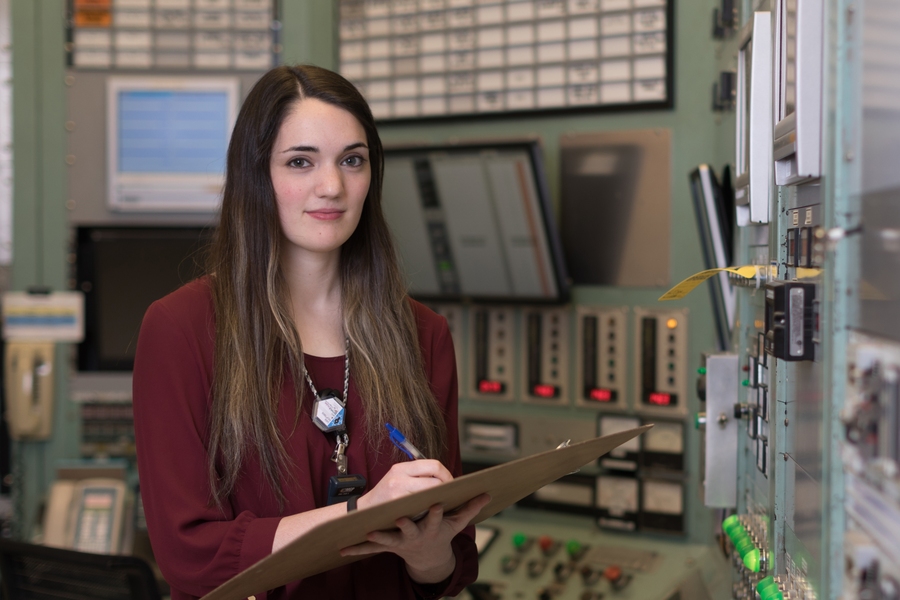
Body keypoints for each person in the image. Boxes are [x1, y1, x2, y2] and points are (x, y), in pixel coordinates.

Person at [132, 64, 490, 600]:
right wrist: (359, 515)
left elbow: (449, 570)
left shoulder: (423, 334)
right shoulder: (181, 328)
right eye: (301, 161)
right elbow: (191, 554)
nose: (332, 187)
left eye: (353, 160)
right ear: (257, 176)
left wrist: (426, 550)